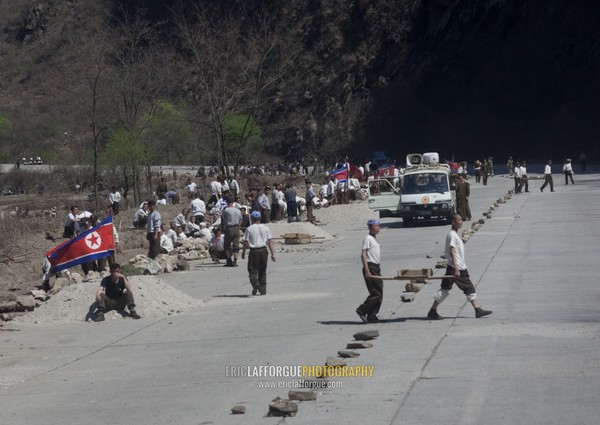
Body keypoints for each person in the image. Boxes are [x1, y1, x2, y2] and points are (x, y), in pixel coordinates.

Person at [427, 213, 492, 320]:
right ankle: (477, 309)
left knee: (445, 289)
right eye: (459, 220)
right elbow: (452, 251)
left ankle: (432, 311)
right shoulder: (452, 235)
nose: (461, 222)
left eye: (461, 220)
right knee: (468, 287)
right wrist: (456, 268)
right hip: (457, 268)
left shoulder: (454, 234)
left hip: (454, 266)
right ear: (453, 222)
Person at [356, 218, 384, 324]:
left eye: (378, 226)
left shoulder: (374, 238)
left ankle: (372, 316)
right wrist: (367, 270)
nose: (377, 228)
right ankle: (362, 310)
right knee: (376, 293)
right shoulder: (368, 238)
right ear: (369, 228)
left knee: (379, 292)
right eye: (375, 226)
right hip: (370, 267)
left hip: (376, 267)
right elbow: (363, 254)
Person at [241, 211, 276, 295]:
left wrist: (243, 252)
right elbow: (270, 241)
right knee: (262, 270)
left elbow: (246, 242)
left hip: (254, 251)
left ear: (252, 218)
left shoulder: (249, 229)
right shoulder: (266, 228)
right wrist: (273, 253)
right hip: (263, 250)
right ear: (260, 218)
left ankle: (255, 283)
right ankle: (263, 289)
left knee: (252, 270)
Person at [221, 197, 242, 267]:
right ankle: (235, 261)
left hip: (229, 228)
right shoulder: (238, 210)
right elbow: (240, 219)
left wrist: (223, 228)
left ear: (227, 202)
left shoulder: (226, 210)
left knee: (227, 245)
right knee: (236, 245)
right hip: (236, 227)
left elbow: (223, 219)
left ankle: (229, 260)